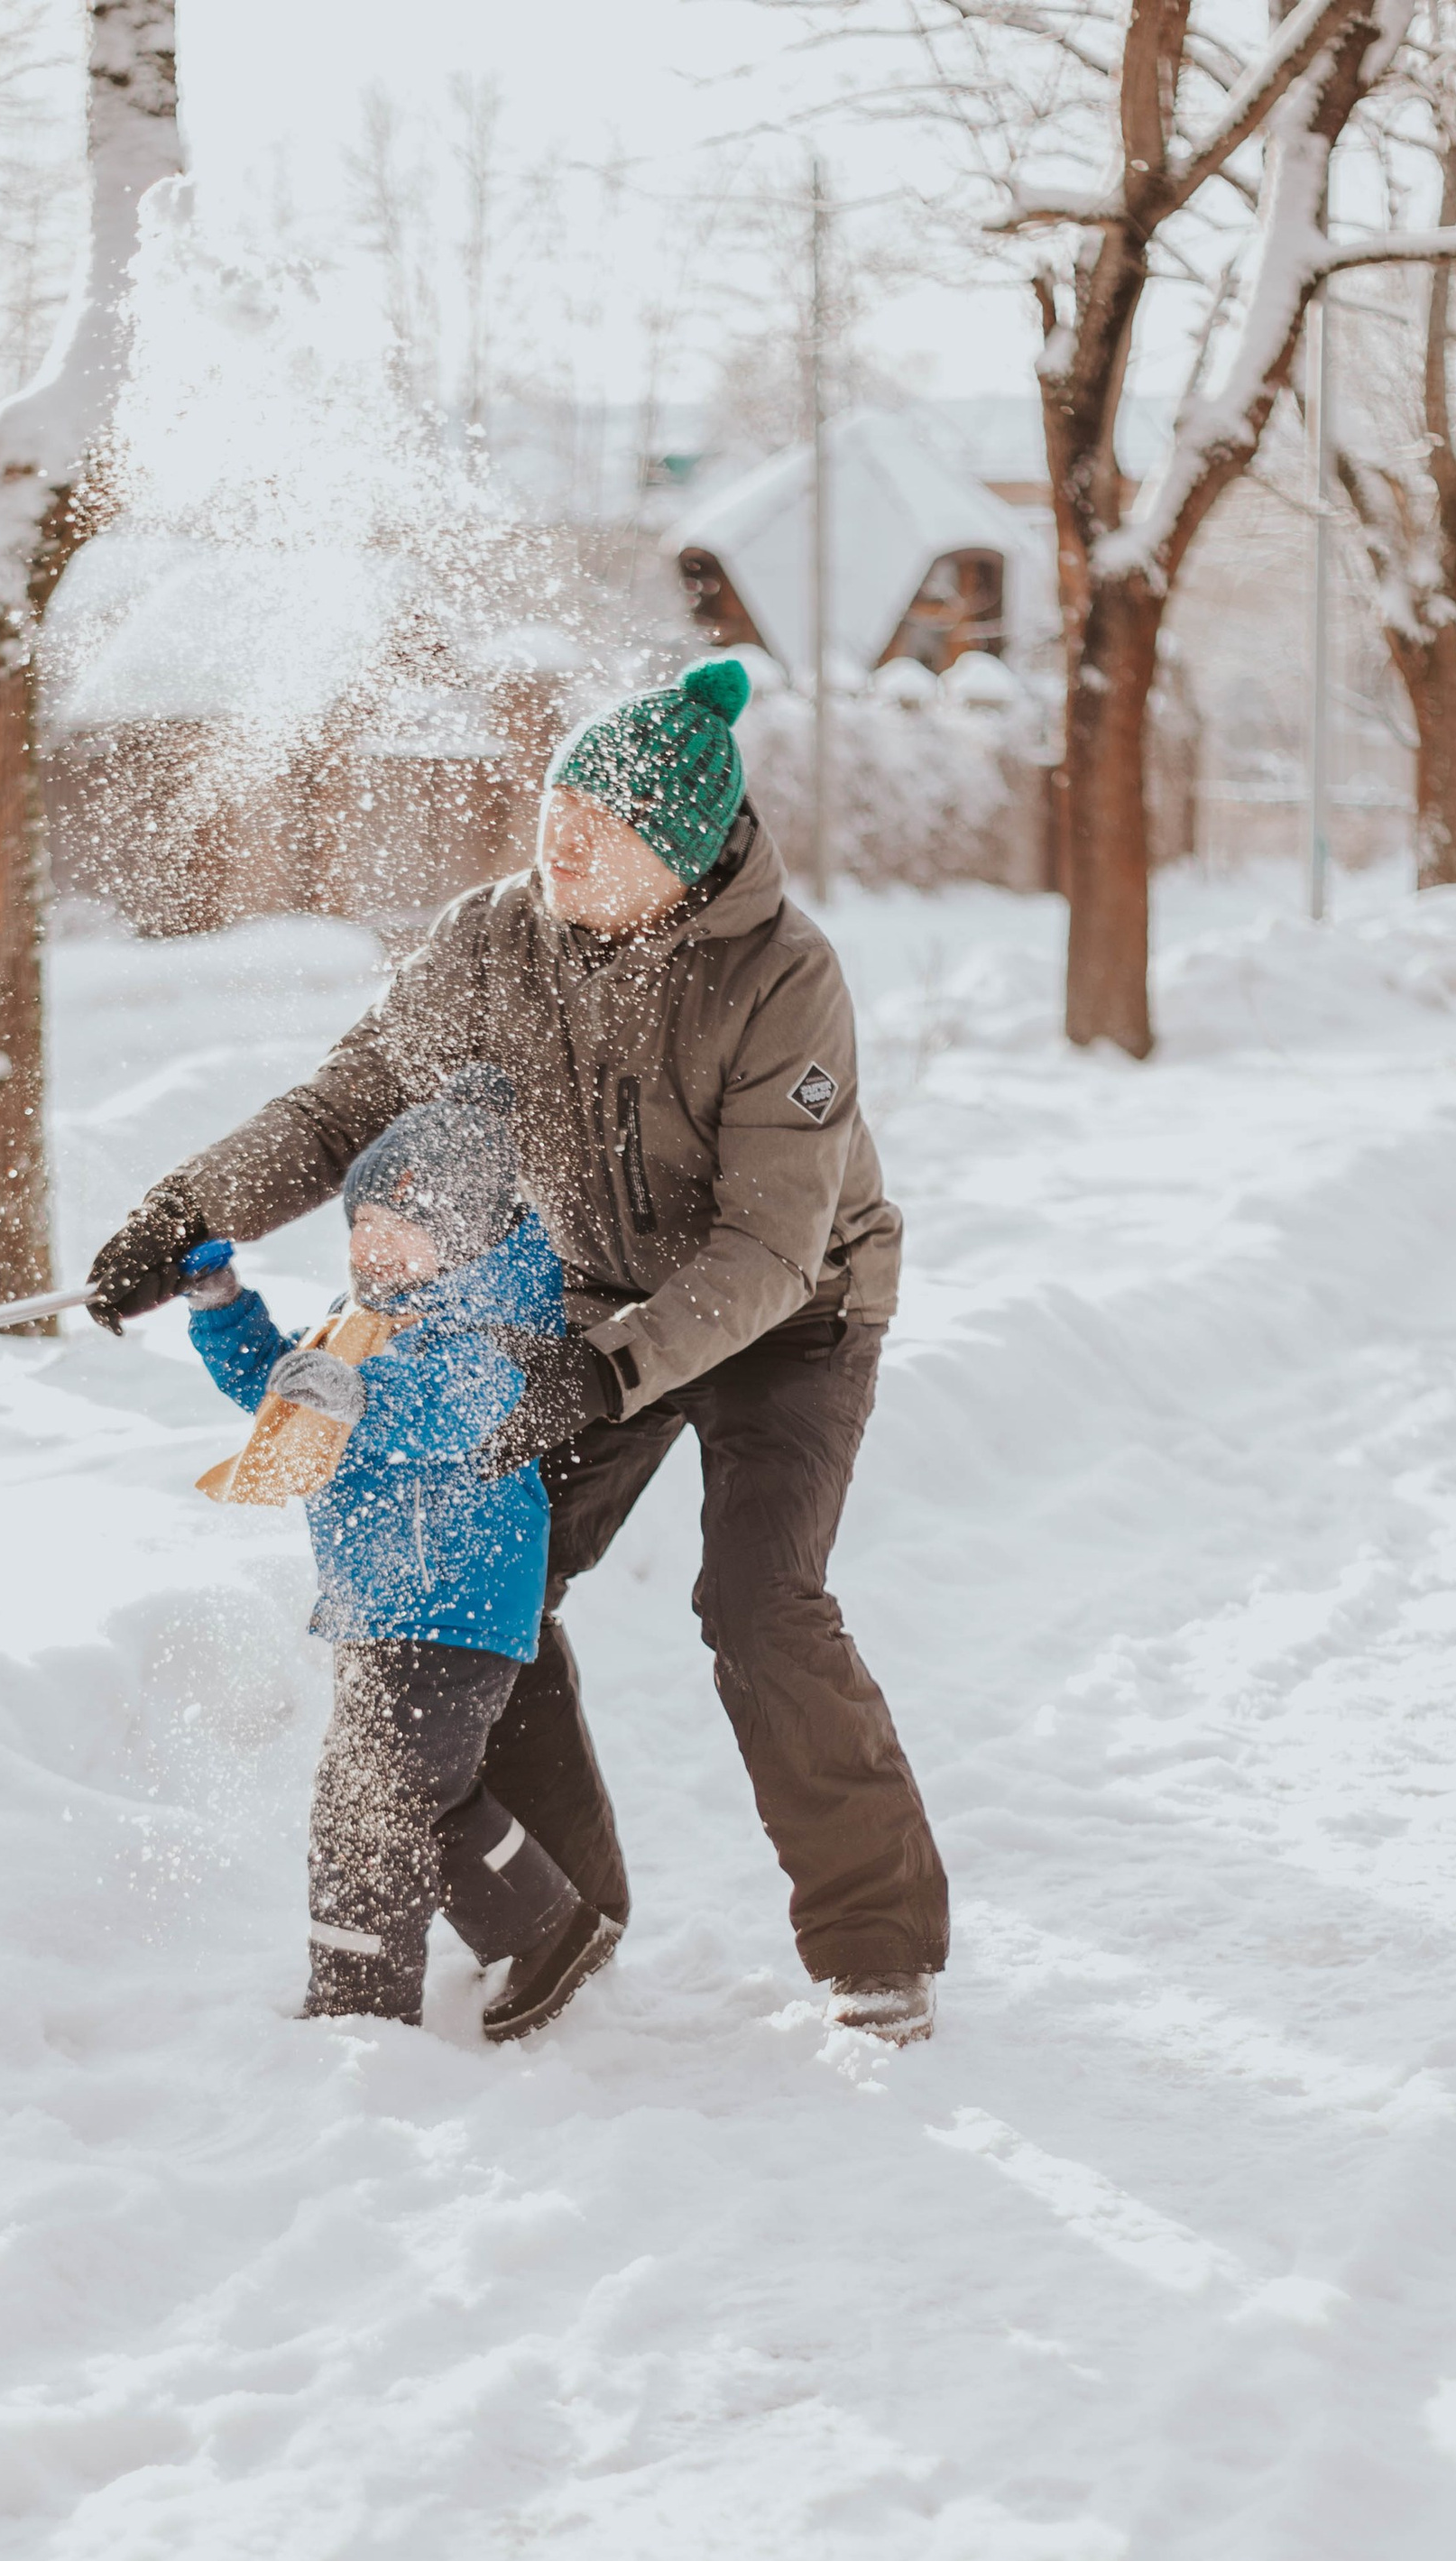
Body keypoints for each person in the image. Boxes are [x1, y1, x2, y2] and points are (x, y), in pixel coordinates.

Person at [90, 657, 949, 2045]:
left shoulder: (784, 978)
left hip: (789, 1316)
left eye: (601, 826)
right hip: (592, 1306)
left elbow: (769, 1246)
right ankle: (564, 1910)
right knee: (494, 1571)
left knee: (759, 1603)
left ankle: (877, 1945)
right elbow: (340, 1107)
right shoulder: (492, 940)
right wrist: (189, 1208)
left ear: (675, 857)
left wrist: (601, 1369)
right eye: (559, 803)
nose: (563, 838)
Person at [181, 1067, 623, 2041]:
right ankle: (547, 1930)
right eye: (362, 1220)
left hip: (453, 1600)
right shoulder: (364, 1320)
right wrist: (223, 1308)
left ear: (462, 1233)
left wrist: (361, 1396)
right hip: (384, 1605)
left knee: (366, 1806)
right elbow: (281, 1387)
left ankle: (358, 2011)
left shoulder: (498, 1326)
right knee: (419, 1795)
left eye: (403, 1223)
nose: (373, 1241)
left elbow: (457, 1407)